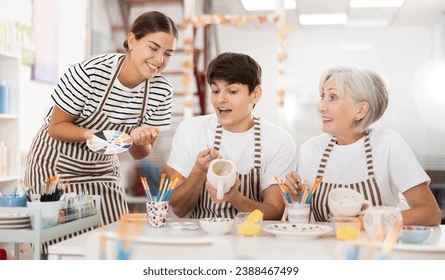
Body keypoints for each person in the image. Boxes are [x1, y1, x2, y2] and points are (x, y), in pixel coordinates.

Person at [24, 11, 178, 254]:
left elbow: (140, 154)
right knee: (59, 245)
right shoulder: (90, 72)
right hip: (56, 164)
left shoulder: (162, 91)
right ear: (131, 40)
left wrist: (142, 140)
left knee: (114, 240)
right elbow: (56, 126)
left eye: (168, 53)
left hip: (101, 168)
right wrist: (90, 135)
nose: (159, 59)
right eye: (153, 48)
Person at [284, 66, 441, 226]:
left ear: (360, 110)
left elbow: (430, 213)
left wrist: (366, 222)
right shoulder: (310, 149)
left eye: (333, 97)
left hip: (377, 248)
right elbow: (301, 226)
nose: (321, 107)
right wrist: (297, 201)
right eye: (322, 96)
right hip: (324, 249)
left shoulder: (388, 144)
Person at [166, 52, 296, 220]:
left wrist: (234, 197)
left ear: (255, 94)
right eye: (215, 90)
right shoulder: (190, 130)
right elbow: (178, 208)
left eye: (232, 91)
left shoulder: (279, 141)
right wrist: (198, 171)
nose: (220, 99)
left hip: (253, 240)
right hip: (201, 238)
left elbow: (275, 212)